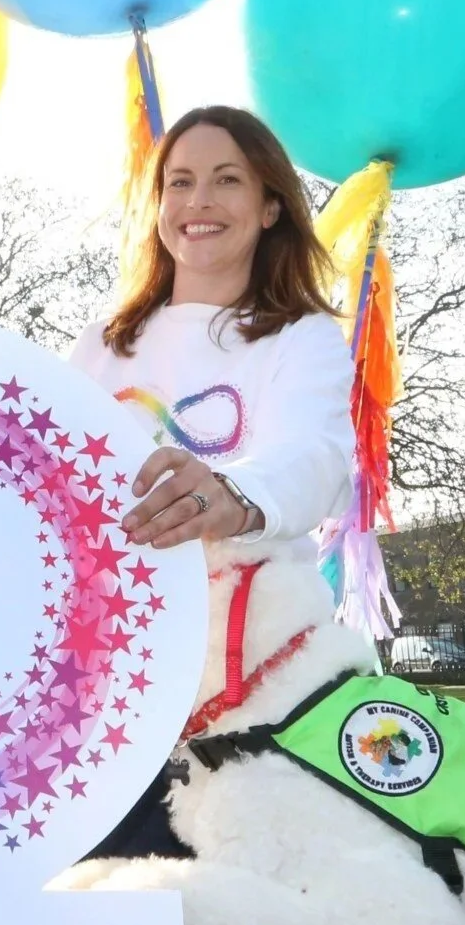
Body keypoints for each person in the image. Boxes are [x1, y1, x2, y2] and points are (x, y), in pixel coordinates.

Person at [68, 104, 354, 855]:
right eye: (179, 182)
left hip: (247, 665)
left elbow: (314, 455)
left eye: (225, 180)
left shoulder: (303, 337)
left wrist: (227, 496)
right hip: (112, 672)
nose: (197, 202)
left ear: (269, 206)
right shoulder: (101, 345)